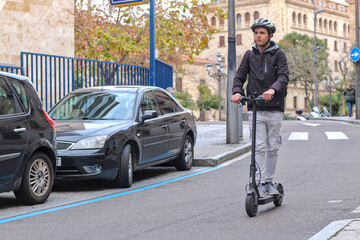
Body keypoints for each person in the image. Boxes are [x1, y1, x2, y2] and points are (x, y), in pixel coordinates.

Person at [231, 18, 289, 198]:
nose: (258, 36)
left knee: (272, 147)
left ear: (270, 35)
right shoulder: (249, 55)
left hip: (274, 108)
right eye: (256, 33)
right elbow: (239, 77)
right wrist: (236, 91)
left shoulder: (279, 55)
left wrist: (273, 89)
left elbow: (284, 77)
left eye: (262, 33)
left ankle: (268, 181)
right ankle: (259, 182)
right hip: (256, 108)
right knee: (258, 147)